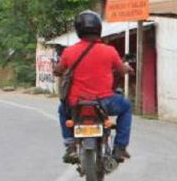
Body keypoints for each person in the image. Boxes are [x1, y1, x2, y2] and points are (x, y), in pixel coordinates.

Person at [53, 11, 135, 161]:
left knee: (62, 109)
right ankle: (120, 147)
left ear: (78, 30)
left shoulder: (69, 52)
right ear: (98, 29)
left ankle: (70, 145)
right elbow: (122, 69)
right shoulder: (109, 51)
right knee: (126, 106)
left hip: (76, 104)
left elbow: (57, 71)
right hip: (105, 103)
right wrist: (127, 68)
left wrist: (60, 69)